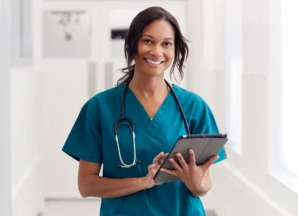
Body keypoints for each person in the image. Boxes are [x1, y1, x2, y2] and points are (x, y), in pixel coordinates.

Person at [62, 6, 227, 216]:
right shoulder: (99, 108)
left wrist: (195, 182)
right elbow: (86, 185)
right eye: (148, 41)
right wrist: (143, 182)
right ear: (132, 44)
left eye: (166, 44)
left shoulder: (194, 107)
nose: (157, 52)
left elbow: (203, 186)